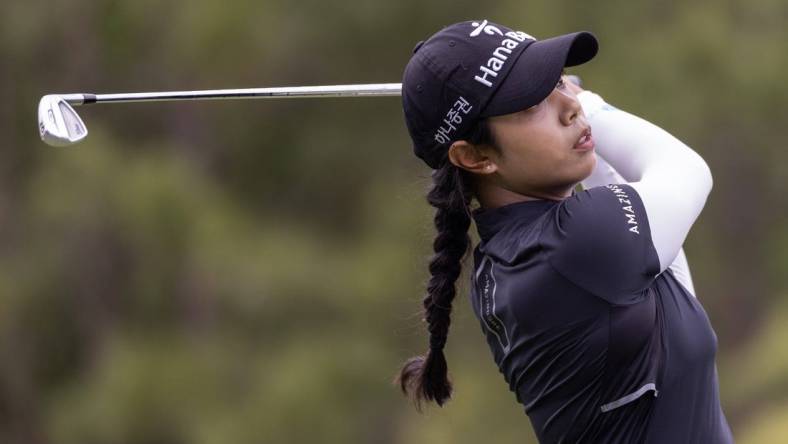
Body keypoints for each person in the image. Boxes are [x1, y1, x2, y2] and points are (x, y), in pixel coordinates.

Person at [394, 19, 734, 443]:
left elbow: (667, 269)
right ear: (475, 156)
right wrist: (593, 104)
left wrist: (563, 106)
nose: (567, 106)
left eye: (556, 81)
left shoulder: (517, 254)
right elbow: (687, 171)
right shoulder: (568, 249)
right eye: (530, 102)